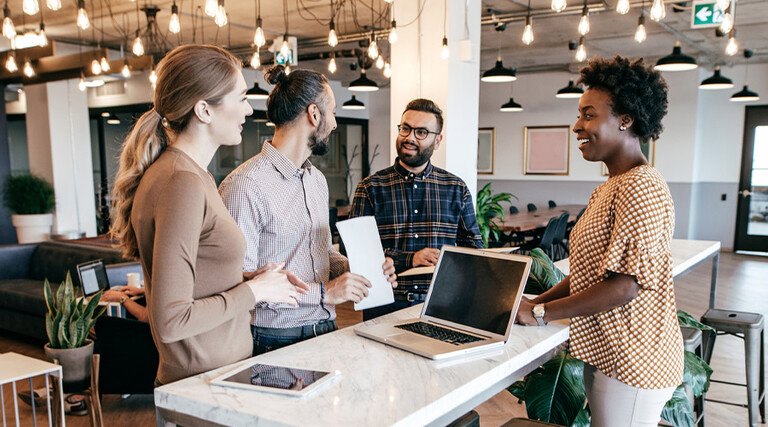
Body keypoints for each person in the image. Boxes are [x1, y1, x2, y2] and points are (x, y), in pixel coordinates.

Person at [109, 45, 309, 385]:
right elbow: (171, 319)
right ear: (204, 110)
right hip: (202, 385)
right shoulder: (181, 181)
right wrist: (256, 292)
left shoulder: (191, 175)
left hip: (218, 378)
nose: (249, 110)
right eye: (242, 98)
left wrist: (249, 278)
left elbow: (196, 278)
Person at [516, 56, 683, 427]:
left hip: (634, 361)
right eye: (579, 115)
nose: (577, 125)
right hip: (612, 354)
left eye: (588, 115)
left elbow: (625, 286)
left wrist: (541, 314)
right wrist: (533, 302)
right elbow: (593, 274)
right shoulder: (611, 186)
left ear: (625, 119)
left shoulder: (643, 186)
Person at [219, 65, 397, 356]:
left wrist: (359, 270)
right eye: (334, 112)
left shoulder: (316, 181)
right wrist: (326, 292)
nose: (336, 124)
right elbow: (239, 283)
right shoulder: (246, 186)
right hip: (272, 339)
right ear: (314, 114)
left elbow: (322, 253)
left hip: (325, 329)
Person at [349, 98, 483, 320]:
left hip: (443, 303)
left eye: (421, 132)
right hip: (384, 304)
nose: (409, 137)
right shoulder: (370, 187)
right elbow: (355, 255)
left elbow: (475, 250)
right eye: (405, 128)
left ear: (437, 140)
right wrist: (410, 259)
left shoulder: (456, 188)